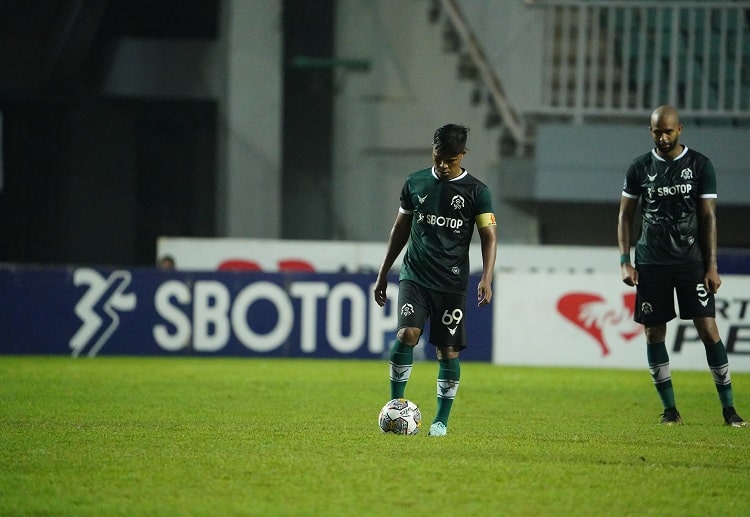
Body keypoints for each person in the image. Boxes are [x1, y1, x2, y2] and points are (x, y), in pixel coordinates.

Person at [617, 105, 748, 427]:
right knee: (653, 332)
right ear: (650, 132)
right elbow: (625, 216)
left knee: (708, 329)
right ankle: (670, 411)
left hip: (691, 261)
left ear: (680, 129)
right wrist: (625, 261)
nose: (663, 137)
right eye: (657, 132)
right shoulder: (639, 167)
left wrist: (712, 266)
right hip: (651, 261)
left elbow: (708, 216)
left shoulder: (700, 165)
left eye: (668, 131)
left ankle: (729, 410)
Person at [373, 123, 497, 436]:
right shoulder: (415, 183)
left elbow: (489, 236)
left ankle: (440, 421)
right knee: (407, 333)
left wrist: (486, 276)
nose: (442, 165)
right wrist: (383, 272)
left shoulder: (477, 192)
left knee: (448, 351)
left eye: (450, 160)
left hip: (451, 283)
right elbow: (400, 229)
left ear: (463, 154)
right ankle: (396, 405)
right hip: (415, 275)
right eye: (438, 157)